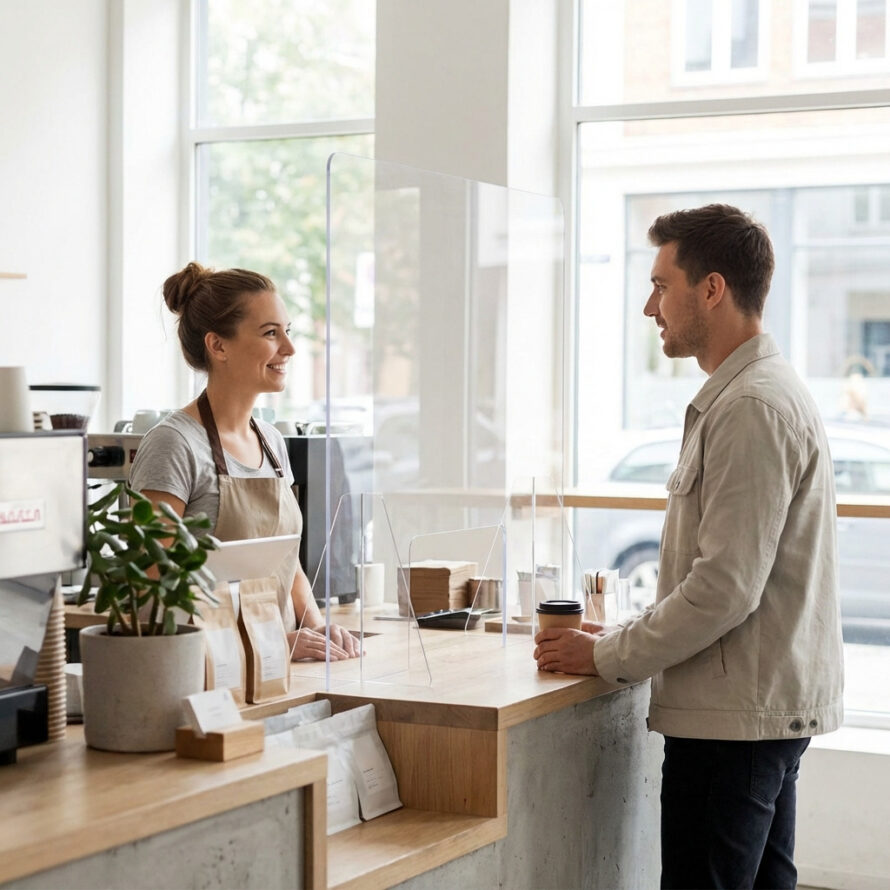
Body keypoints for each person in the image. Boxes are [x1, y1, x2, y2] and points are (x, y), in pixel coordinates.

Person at [534, 204, 844, 889]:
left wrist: (605, 655)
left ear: (711, 289)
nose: (650, 307)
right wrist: (624, 634)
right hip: (749, 715)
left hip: (733, 727)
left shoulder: (750, 407)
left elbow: (724, 588)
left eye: (660, 285)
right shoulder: (750, 395)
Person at [129, 262, 360, 661]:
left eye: (288, 331)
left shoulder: (271, 442)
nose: (289, 348)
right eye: (270, 333)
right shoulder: (174, 444)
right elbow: (153, 585)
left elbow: (287, 564)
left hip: (279, 666)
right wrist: (269, 645)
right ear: (218, 346)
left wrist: (317, 628)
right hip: (208, 671)